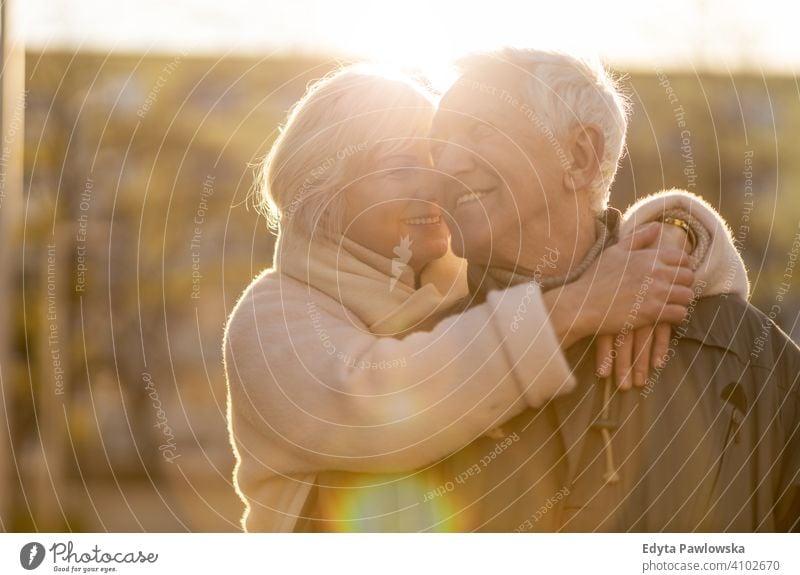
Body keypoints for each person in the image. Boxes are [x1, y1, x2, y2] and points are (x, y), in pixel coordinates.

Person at [223, 64, 742, 532]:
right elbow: (384, 401)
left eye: (442, 157)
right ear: (323, 194)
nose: (439, 182)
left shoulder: (463, 286)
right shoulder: (272, 320)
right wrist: (580, 305)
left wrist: (673, 237)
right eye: (403, 166)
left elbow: (577, 241)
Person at [428, 47, 799, 531]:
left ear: (579, 157)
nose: (446, 164)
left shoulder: (744, 354)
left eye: (480, 131)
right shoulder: (412, 364)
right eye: (437, 147)